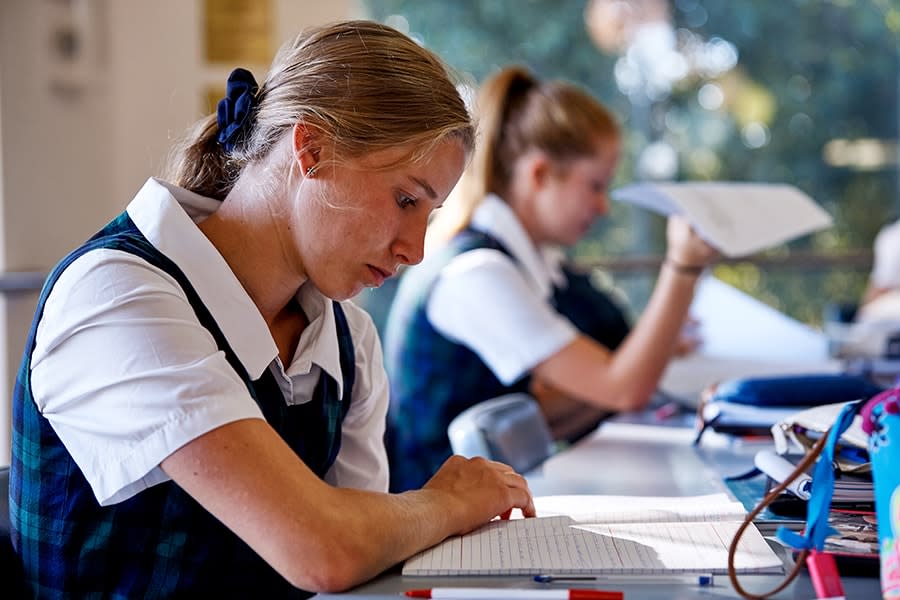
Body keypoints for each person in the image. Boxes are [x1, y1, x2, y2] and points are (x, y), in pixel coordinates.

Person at [10, 21, 535, 598]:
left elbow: (364, 567)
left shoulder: (348, 340)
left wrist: (411, 521)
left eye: (428, 215)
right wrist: (446, 503)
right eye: (405, 199)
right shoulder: (117, 295)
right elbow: (327, 552)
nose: (415, 248)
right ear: (310, 149)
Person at [383, 65, 718, 492]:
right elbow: (620, 387)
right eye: (594, 186)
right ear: (538, 174)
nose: (603, 207)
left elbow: (560, 404)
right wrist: (682, 266)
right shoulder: (475, 276)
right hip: (437, 520)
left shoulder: (533, 263)